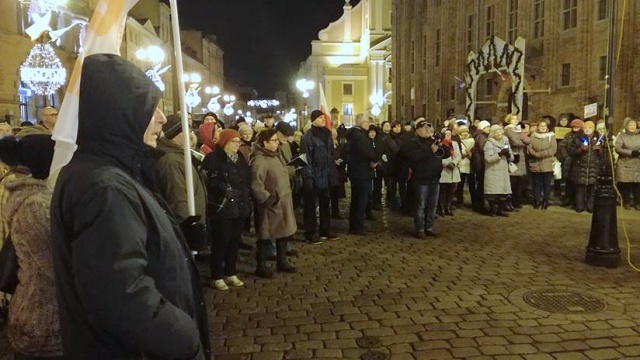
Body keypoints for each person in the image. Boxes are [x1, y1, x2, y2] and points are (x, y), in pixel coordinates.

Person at [50, 54, 209, 359]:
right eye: (150, 109)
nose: (162, 118)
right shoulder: (104, 186)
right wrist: (186, 337)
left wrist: (176, 240)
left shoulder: (109, 173)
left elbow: (123, 252)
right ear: (120, 114)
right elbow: (120, 298)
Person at [0, 134, 62, 359]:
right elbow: (54, 267)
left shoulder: (36, 197)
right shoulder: (35, 205)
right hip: (41, 320)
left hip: (41, 313)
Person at [201, 129, 251, 291]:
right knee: (221, 241)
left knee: (234, 241)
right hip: (222, 206)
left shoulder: (240, 158)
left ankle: (231, 271)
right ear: (224, 142)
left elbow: (246, 178)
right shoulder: (214, 158)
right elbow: (207, 180)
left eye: (238, 142)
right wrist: (221, 187)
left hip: (239, 204)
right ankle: (216, 275)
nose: (237, 145)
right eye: (233, 142)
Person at [154, 114, 208, 252]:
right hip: (184, 226)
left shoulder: (181, 155)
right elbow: (177, 196)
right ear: (175, 135)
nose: (191, 135)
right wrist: (188, 226)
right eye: (187, 131)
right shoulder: (171, 161)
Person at [250, 129, 297, 278]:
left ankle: (281, 261)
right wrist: (267, 198)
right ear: (265, 142)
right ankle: (261, 265)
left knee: (283, 232)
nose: (277, 143)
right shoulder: (259, 160)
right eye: (274, 140)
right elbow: (255, 184)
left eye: (277, 140)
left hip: (282, 201)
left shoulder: (276, 156)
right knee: (265, 235)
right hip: (270, 204)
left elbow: (280, 172)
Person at [399, 119, 449, 238]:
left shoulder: (434, 141)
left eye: (429, 128)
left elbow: (446, 153)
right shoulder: (412, 142)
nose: (427, 130)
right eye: (424, 128)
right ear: (417, 130)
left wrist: (440, 145)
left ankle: (429, 227)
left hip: (435, 178)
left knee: (432, 205)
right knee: (420, 205)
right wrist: (430, 150)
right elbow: (414, 157)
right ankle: (420, 229)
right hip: (420, 178)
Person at [300, 110, 338, 243]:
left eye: (323, 117)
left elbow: (330, 155)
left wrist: (331, 174)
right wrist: (308, 178)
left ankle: (325, 230)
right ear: (313, 120)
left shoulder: (327, 134)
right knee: (310, 206)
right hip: (313, 175)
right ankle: (310, 232)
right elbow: (305, 159)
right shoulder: (307, 137)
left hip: (325, 175)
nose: (323, 119)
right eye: (320, 117)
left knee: (325, 205)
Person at [346, 114, 380, 235]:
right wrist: (375, 159)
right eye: (367, 122)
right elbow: (368, 152)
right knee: (360, 201)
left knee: (356, 200)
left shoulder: (355, 135)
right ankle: (357, 227)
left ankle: (355, 225)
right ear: (361, 123)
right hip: (361, 172)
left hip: (357, 171)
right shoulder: (359, 136)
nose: (369, 124)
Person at [568, 120, 602, 213]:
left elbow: (604, 154)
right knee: (580, 188)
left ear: (593, 129)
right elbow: (571, 151)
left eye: (590, 128)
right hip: (580, 166)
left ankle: (590, 206)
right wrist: (580, 150)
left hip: (593, 166)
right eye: (586, 128)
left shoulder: (598, 139)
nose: (587, 129)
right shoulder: (577, 138)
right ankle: (579, 206)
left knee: (592, 188)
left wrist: (600, 150)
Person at [484, 125, 514, 217]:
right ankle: (493, 210)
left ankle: (501, 210)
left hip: (503, 171)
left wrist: (509, 155)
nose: (498, 134)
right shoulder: (489, 143)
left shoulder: (505, 141)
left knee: (503, 192)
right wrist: (499, 154)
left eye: (499, 131)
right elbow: (488, 159)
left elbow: (512, 157)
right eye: (496, 132)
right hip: (493, 170)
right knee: (493, 193)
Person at [527, 118, 557, 209]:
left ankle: (545, 201)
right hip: (535, 164)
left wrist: (540, 154)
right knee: (536, 184)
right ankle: (537, 201)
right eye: (541, 126)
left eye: (544, 126)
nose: (543, 127)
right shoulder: (533, 136)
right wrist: (535, 154)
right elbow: (529, 148)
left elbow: (553, 149)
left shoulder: (551, 136)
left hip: (547, 164)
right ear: (538, 127)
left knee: (546, 184)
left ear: (547, 127)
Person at [615, 117, 640, 209]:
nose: (632, 126)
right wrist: (630, 153)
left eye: (634, 125)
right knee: (626, 184)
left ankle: (638, 203)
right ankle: (627, 202)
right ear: (626, 126)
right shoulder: (622, 136)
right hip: (625, 163)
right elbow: (617, 148)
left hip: (637, 163)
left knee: (637, 184)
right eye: (630, 125)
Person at [438, 129, 461, 216]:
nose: (448, 135)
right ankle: (441, 208)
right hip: (444, 171)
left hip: (453, 169)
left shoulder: (454, 144)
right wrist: (446, 164)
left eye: (449, 134)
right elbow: (438, 157)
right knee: (443, 190)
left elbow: (458, 155)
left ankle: (448, 207)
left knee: (451, 191)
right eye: (446, 134)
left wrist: (453, 163)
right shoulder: (440, 144)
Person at [471, 120, 491, 213]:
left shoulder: (480, 136)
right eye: (487, 127)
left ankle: (479, 204)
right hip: (480, 163)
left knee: (480, 184)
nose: (489, 129)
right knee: (480, 184)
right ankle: (480, 205)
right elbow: (483, 148)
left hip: (479, 162)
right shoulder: (481, 136)